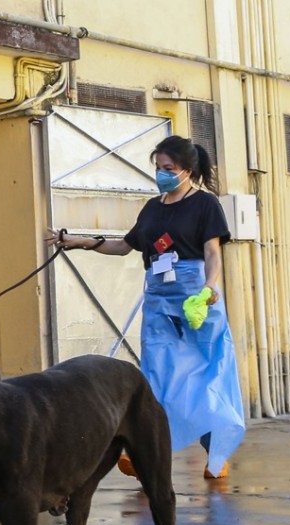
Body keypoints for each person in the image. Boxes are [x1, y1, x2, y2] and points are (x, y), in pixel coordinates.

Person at [45, 135, 246, 479]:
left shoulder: (206, 205)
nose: (162, 175)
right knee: (157, 380)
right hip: (158, 301)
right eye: (158, 168)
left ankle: (216, 455)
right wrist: (78, 242)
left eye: (168, 168)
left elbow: (212, 251)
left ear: (187, 170)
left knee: (203, 376)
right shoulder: (153, 208)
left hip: (196, 300)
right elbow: (125, 245)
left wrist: (210, 287)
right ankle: (144, 456)